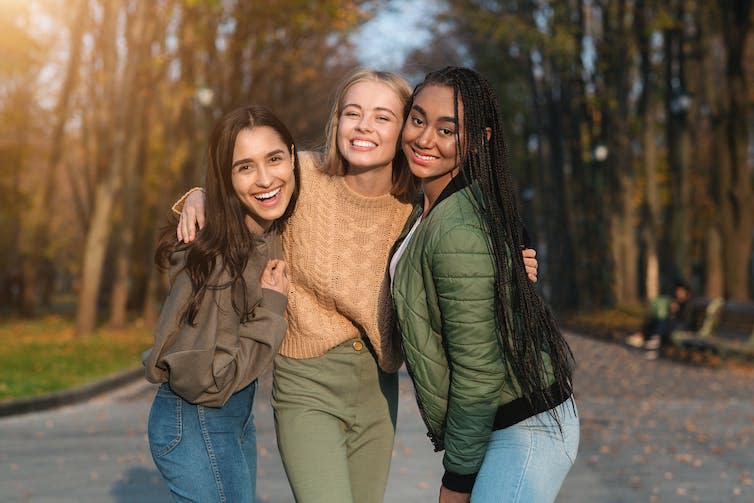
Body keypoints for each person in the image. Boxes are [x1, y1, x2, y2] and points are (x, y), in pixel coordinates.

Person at [175, 69, 540, 503]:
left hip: (377, 386)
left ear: (405, 129)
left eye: (383, 117)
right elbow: (245, 182)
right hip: (305, 382)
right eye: (353, 113)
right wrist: (200, 197)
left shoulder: (419, 204)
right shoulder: (302, 177)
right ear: (337, 122)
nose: (364, 126)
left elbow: (469, 246)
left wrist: (508, 264)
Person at [390, 66, 579, 503]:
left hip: (523, 429)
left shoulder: (456, 225)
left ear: (479, 139)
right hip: (497, 423)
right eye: (417, 120)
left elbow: (479, 370)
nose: (424, 139)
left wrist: (456, 481)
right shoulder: (433, 208)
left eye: (447, 130)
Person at [143, 105, 300, 502]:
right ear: (225, 178)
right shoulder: (216, 257)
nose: (266, 179)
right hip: (197, 419)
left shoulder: (260, 227)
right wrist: (271, 308)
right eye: (244, 167)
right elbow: (205, 382)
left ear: (293, 156)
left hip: (228, 418)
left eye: (274, 158)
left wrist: (198, 195)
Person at [626, 280, 692, 355]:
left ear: (686, 292)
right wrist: (671, 310)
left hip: (682, 325)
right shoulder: (675, 301)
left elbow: (685, 318)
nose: (678, 293)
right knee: (657, 320)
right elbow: (669, 315)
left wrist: (676, 311)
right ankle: (641, 336)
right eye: (677, 290)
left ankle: (652, 339)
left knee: (663, 321)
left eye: (681, 291)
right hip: (671, 323)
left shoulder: (688, 303)